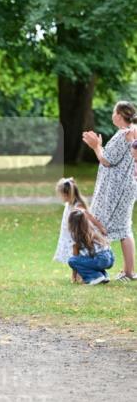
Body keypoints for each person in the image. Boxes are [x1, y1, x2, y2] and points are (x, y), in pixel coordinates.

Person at [82, 100, 137, 281]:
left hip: (116, 191)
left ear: (120, 115)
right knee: (124, 229)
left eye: (114, 112)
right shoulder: (130, 133)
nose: (112, 116)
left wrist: (96, 146)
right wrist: (99, 146)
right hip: (125, 188)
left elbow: (107, 160)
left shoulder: (123, 135)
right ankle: (128, 272)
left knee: (100, 224)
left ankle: (95, 268)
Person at [53, 177, 105, 281]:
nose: (60, 197)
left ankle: (76, 275)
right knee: (74, 254)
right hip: (69, 234)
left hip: (76, 235)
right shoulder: (69, 204)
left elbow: (89, 216)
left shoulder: (78, 205)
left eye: (61, 194)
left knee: (76, 254)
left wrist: (100, 227)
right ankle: (77, 275)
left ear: (67, 194)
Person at [67, 209, 114, 285]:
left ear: (71, 223)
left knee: (72, 261)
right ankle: (104, 276)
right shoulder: (92, 230)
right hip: (110, 258)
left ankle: (94, 277)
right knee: (91, 260)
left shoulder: (76, 237)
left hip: (100, 260)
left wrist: (74, 277)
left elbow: (75, 257)